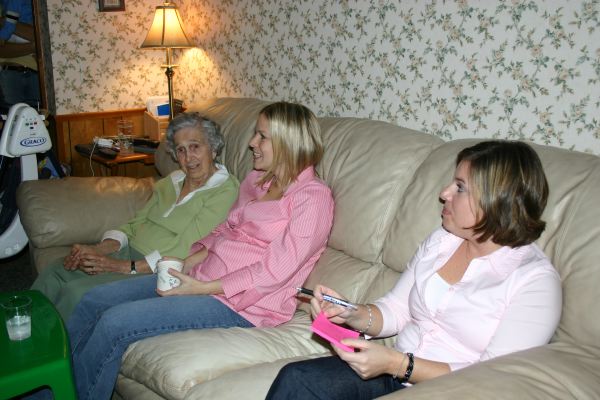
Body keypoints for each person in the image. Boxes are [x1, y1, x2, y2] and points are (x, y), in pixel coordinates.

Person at [66, 101, 335, 400]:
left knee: (115, 324)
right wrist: (185, 262)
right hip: (201, 276)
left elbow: (274, 271)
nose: (251, 144)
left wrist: (202, 288)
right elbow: (223, 231)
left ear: (288, 142)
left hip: (239, 304)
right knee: (93, 300)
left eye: (262, 137)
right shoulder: (256, 181)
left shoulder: (313, 198)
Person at [266, 140, 562, 400]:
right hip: (392, 374)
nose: (444, 193)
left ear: (498, 201)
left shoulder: (534, 282)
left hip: (452, 391)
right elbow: (396, 309)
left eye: (460, 187)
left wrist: (399, 364)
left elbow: (495, 378)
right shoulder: (442, 242)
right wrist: (350, 313)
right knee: (299, 380)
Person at [31, 112, 239, 319]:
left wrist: (123, 267)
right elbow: (136, 222)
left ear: (213, 148)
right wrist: (98, 249)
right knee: (55, 272)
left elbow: (188, 247)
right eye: (181, 150)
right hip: (126, 254)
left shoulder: (225, 189)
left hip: (154, 269)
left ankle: (46, 348)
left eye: (195, 147)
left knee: (75, 293)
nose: (188, 158)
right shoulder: (172, 181)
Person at [0, 0, 40, 111]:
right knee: (12, 121)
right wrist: (33, 47)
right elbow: (2, 50)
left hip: (37, 74)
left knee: (38, 119)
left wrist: (5, 21)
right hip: (10, 74)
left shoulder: (37, 5)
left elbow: (39, 35)